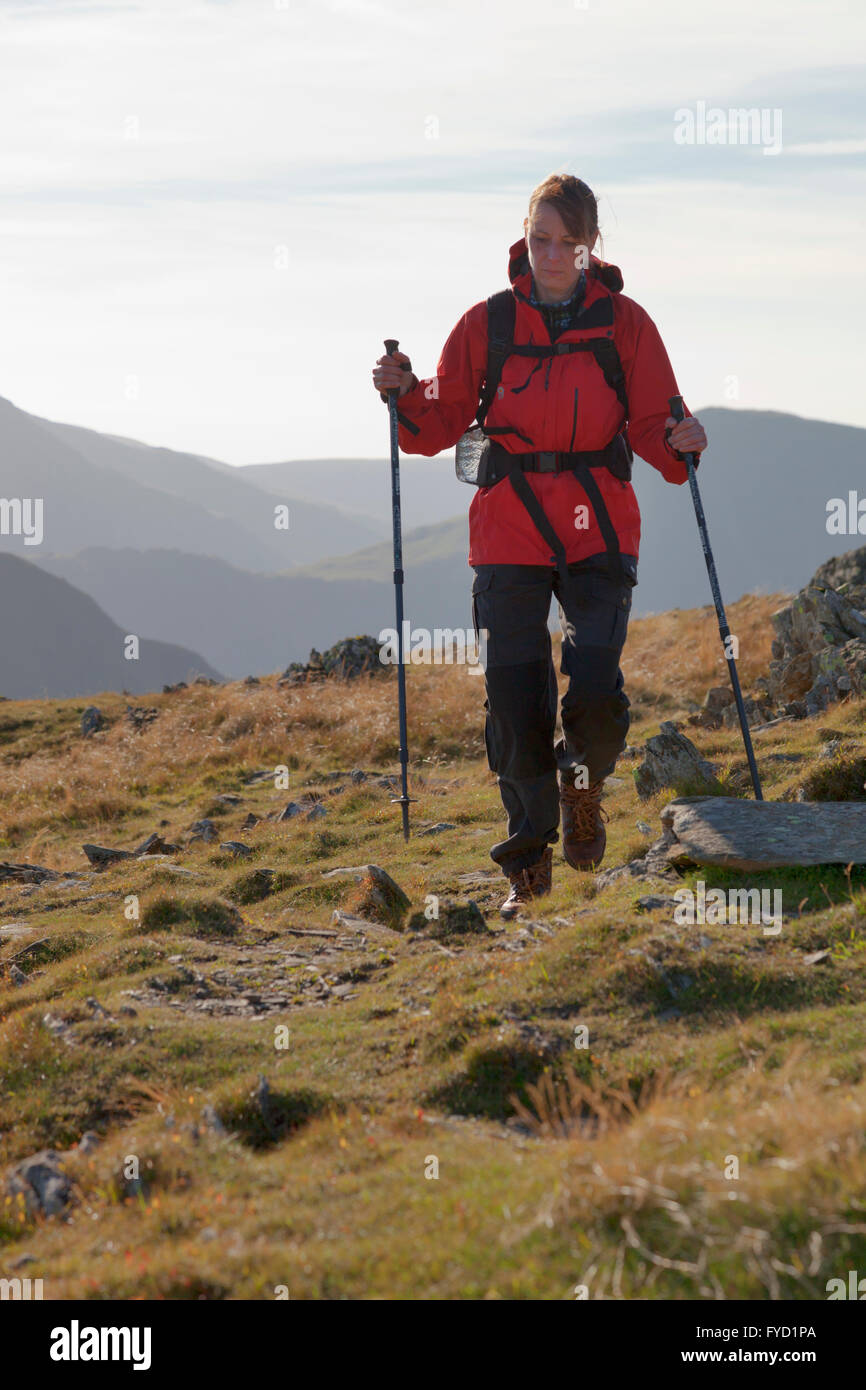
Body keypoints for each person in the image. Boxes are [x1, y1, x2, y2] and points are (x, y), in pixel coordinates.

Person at [372, 172, 707, 918]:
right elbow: (435, 422)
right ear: (524, 238)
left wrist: (684, 442)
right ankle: (528, 866)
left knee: (594, 690)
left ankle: (580, 793)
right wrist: (400, 394)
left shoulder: (626, 325)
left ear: (590, 247)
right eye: (539, 240)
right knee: (516, 702)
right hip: (510, 528)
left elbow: (657, 424)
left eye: (567, 243)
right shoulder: (487, 324)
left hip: (600, 525)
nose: (551, 256)